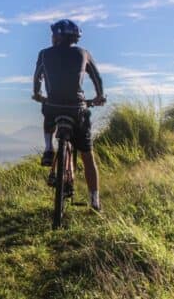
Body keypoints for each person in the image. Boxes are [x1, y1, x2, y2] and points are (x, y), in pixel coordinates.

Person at [32, 19, 106, 211]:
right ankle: (95, 203)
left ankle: (49, 148)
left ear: (57, 36)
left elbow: (37, 78)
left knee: (47, 111)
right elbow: (97, 78)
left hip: (53, 106)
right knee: (88, 155)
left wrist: (38, 95)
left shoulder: (44, 54)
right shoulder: (84, 53)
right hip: (77, 108)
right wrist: (99, 97)